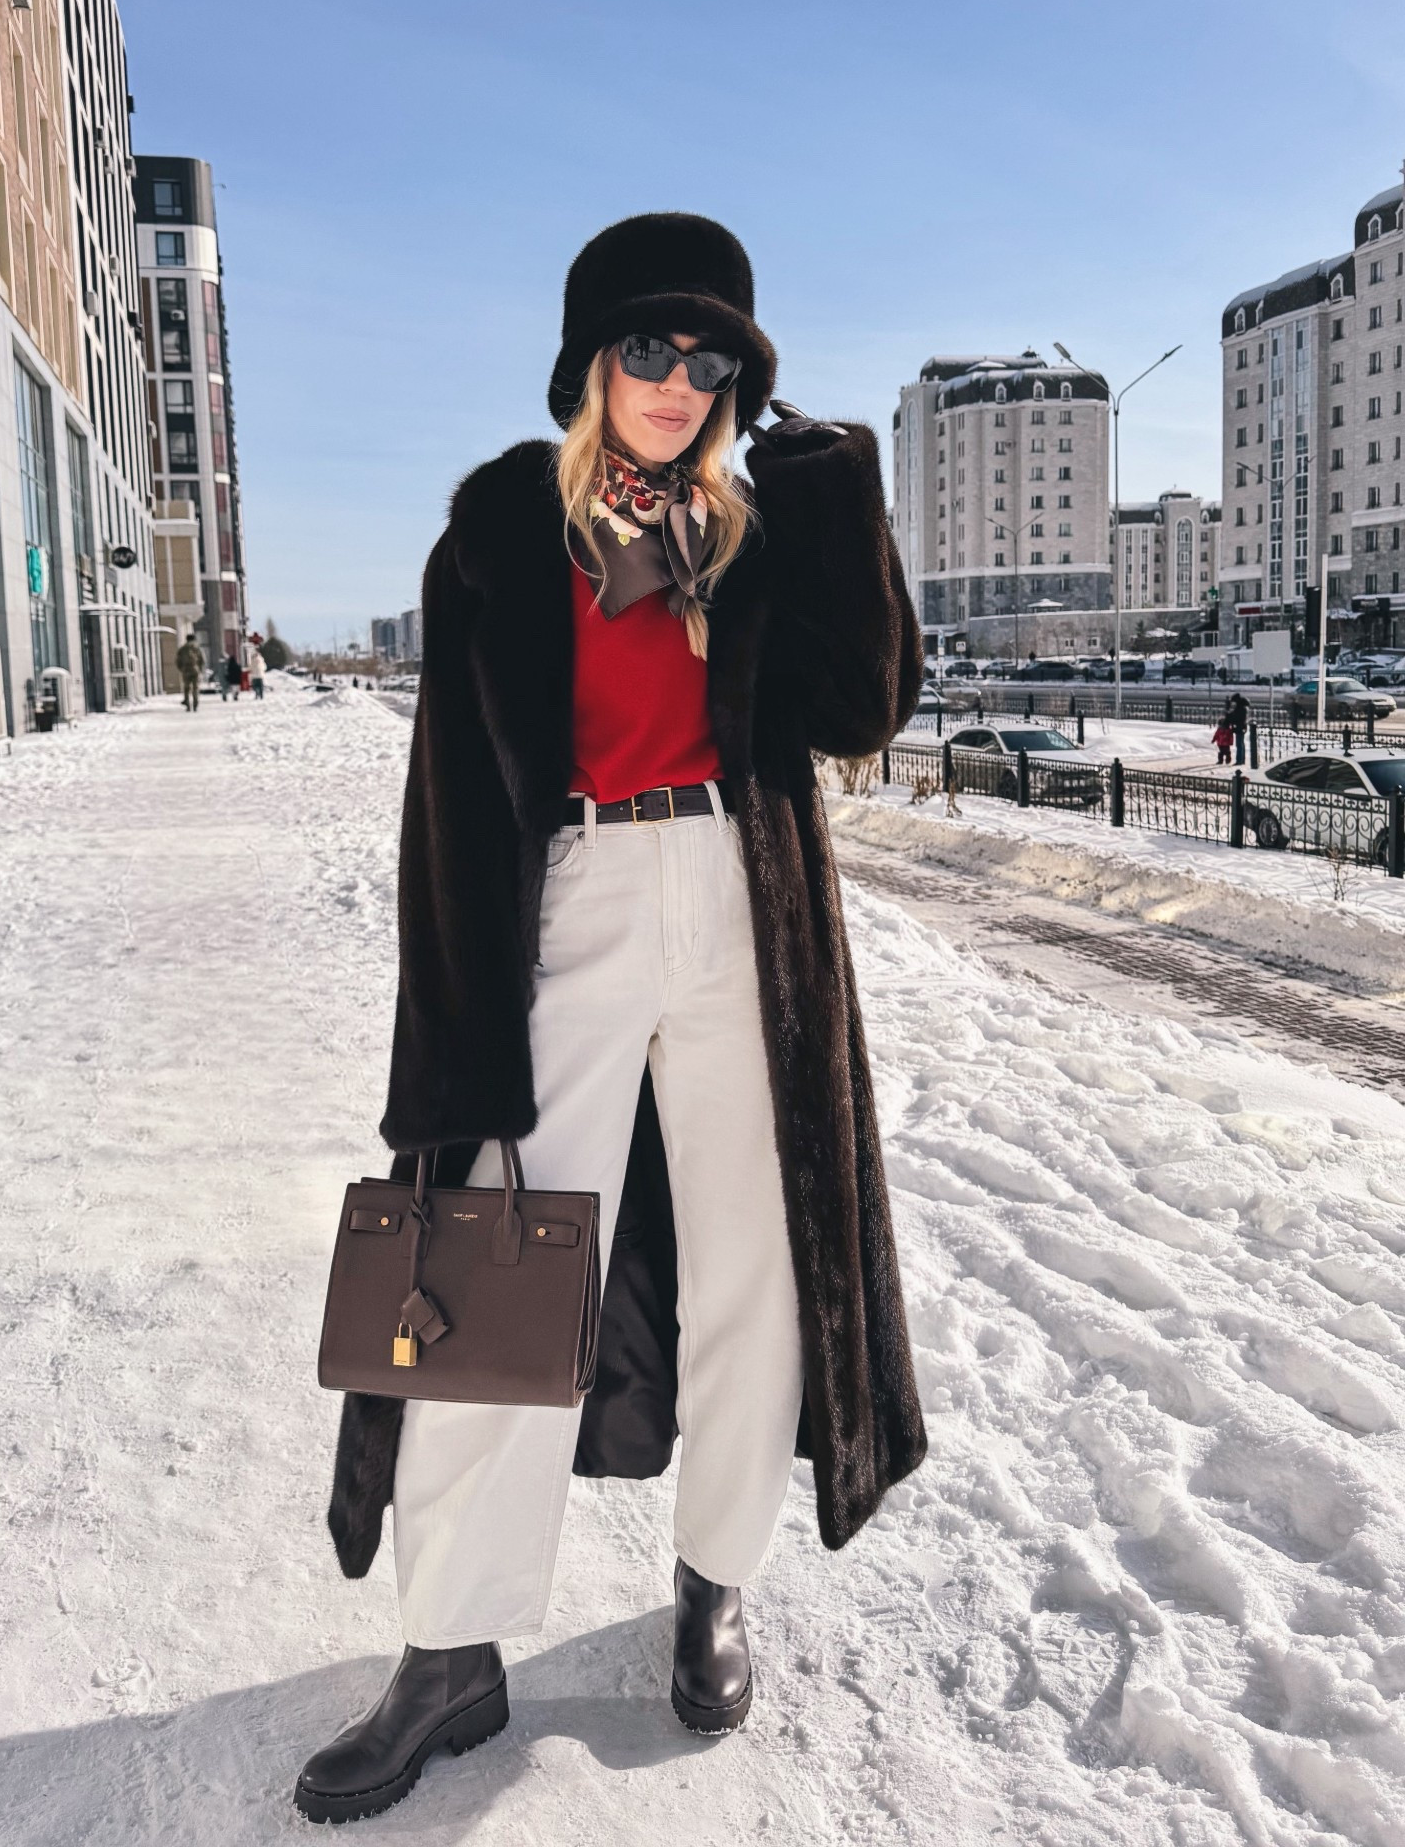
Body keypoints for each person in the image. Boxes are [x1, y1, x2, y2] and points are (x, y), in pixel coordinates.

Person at [296, 214, 928, 1825]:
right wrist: (445, 1026)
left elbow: (866, 713)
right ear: (592, 363)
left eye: (708, 358)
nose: (676, 381)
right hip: (566, 906)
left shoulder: (757, 527)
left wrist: (845, 494)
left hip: (740, 903)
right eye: (648, 349)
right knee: (490, 1272)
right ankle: (451, 1650)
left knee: (754, 1269)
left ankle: (717, 1583)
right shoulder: (505, 532)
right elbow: (448, 799)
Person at [175, 631, 204, 712]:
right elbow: (202, 660)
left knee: (187, 688)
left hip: (186, 670)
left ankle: (187, 704)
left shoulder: (182, 649)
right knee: (195, 688)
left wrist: (181, 669)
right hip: (195, 669)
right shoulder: (197, 648)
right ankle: (195, 704)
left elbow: (178, 661)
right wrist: (200, 669)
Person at [1225, 690, 1250, 765]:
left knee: (1239, 744)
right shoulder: (1242, 707)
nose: (1234, 704)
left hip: (1239, 727)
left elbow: (1235, 717)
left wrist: (1228, 712)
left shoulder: (1241, 708)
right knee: (1241, 744)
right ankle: (1241, 760)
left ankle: (1239, 760)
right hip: (1241, 727)